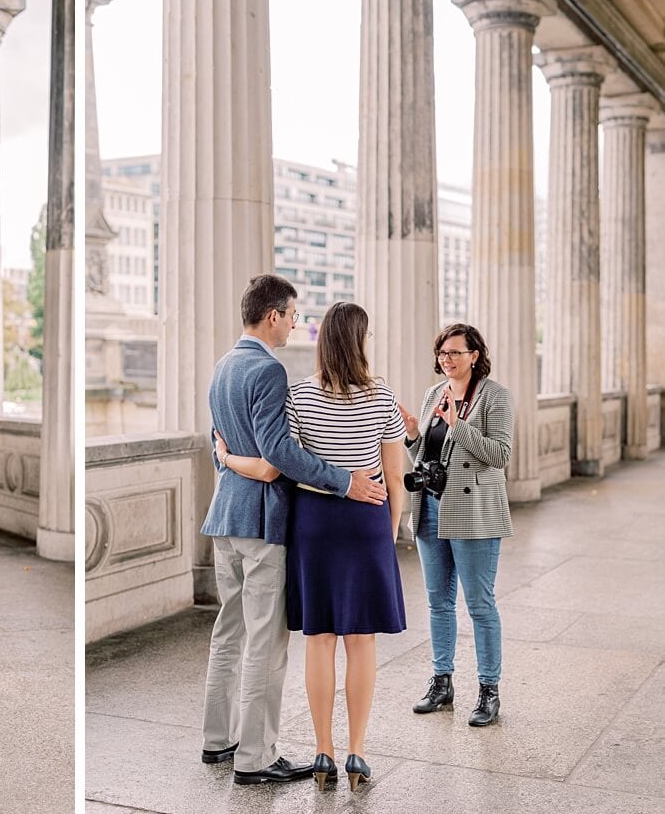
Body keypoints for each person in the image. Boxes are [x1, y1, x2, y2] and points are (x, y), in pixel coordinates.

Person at [200, 275, 388, 787]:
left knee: (228, 633)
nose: (294, 325)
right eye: (291, 315)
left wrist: (232, 460)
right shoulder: (269, 371)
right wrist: (345, 483)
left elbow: (218, 442)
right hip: (262, 522)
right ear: (273, 316)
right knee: (265, 641)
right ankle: (255, 757)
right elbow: (279, 455)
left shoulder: (222, 366)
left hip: (224, 518)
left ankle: (217, 740)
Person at [398, 323, 513, 727]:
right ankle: (441, 682)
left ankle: (488, 690)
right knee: (438, 603)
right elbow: (429, 454)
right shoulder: (434, 394)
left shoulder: (495, 397)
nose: (447, 359)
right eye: (442, 353)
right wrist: (414, 436)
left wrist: (458, 423)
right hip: (431, 509)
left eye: (455, 352)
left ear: (475, 356)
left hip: (475, 513)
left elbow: (499, 455)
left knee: (480, 606)